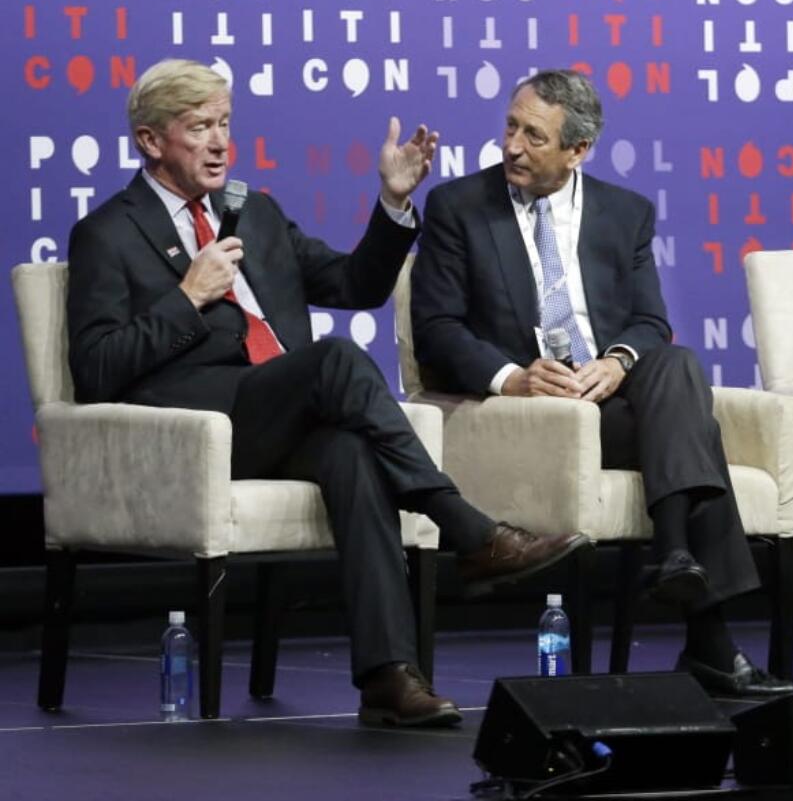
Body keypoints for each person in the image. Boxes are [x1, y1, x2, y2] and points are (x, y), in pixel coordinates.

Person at [66, 58, 589, 728]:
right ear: (150, 141)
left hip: (279, 411)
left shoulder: (252, 212)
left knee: (349, 453)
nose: (222, 141)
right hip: (193, 434)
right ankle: (468, 528)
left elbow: (352, 286)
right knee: (334, 360)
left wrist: (394, 203)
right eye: (200, 128)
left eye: (226, 123)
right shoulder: (107, 233)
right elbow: (96, 369)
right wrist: (186, 298)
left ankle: (387, 677)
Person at [410, 69, 793, 697]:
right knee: (694, 426)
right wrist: (513, 379)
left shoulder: (625, 213)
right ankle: (704, 625)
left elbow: (650, 322)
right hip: (531, 418)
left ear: (578, 150)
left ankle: (677, 561)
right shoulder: (459, 207)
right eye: (510, 126)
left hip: (610, 407)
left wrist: (615, 363)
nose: (511, 146)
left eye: (534, 136)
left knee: (674, 363)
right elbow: (438, 330)